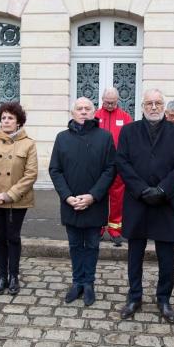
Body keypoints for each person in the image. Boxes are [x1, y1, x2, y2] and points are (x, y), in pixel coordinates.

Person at [116, 89, 174, 323]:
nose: (154, 107)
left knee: (166, 256)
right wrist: (141, 189)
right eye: (150, 103)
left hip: (166, 202)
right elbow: (122, 162)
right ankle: (134, 296)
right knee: (134, 254)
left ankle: (164, 298)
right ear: (142, 106)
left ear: (164, 106)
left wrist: (162, 190)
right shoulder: (128, 131)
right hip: (137, 201)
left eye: (158, 103)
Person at [49, 97, 116, 306]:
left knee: (93, 246)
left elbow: (111, 169)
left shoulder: (105, 137)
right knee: (75, 245)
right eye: (80, 108)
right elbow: (55, 170)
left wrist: (92, 196)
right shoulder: (62, 138)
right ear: (73, 112)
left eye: (88, 108)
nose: (84, 112)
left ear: (94, 112)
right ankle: (77, 282)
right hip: (70, 203)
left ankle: (89, 284)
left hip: (94, 203)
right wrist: (67, 196)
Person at [0, 102, 38, 296]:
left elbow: (31, 174)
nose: (6, 121)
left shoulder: (29, 143)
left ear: (18, 121)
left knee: (13, 237)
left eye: (10, 118)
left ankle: (13, 276)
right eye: (3, 117)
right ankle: (1, 276)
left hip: (16, 200)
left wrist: (9, 194)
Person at [94, 87, 132, 246]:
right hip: (97, 164)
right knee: (98, 196)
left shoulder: (125, 117)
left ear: (118, 101)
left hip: (118, 165)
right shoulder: (94, 116)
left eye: (113, 102)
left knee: (117, 198)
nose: (109, 105)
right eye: (107, 102)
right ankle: (99, 228)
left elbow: (131, 141)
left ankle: (115, 230)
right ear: (102, 99)